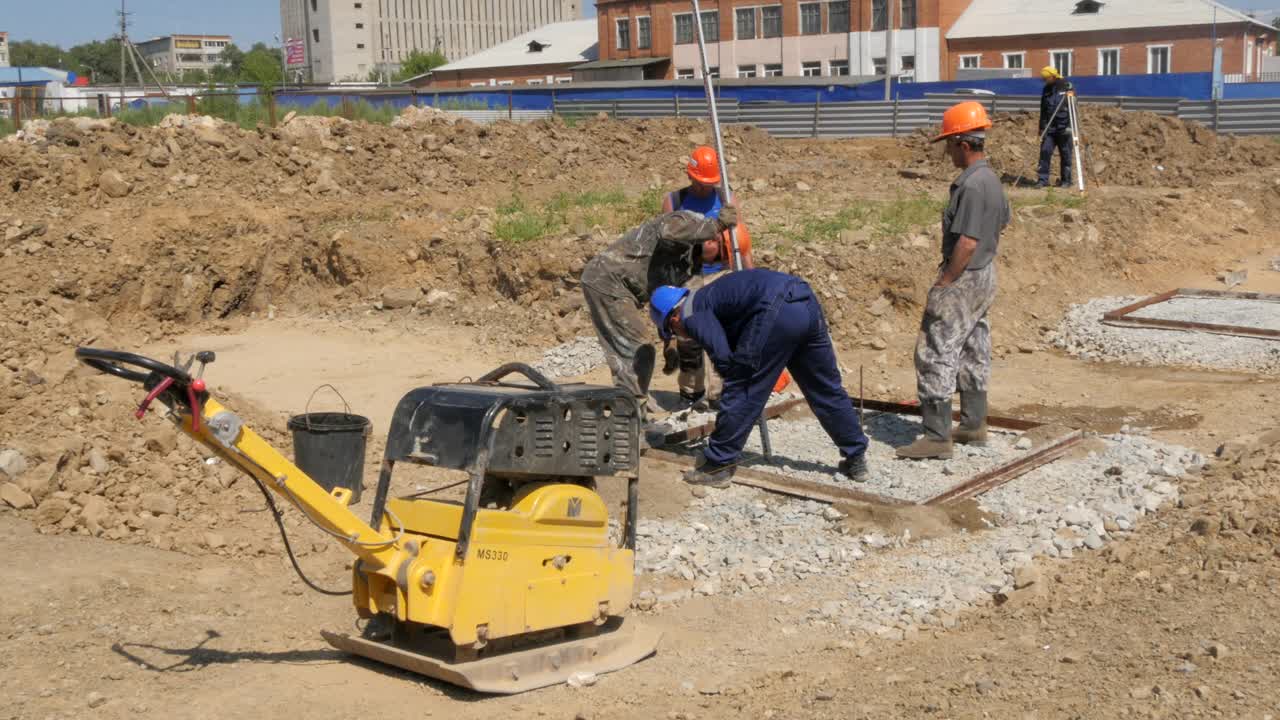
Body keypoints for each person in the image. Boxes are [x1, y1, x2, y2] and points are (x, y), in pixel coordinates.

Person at [649, 269, 870, 488]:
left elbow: (724, 359)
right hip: (804, 300)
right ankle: (856, 457)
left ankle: (719, 464)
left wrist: (744, 379)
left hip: (774, 309)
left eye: (673, 331)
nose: (680, 335)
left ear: (673, 317)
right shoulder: (710, 297)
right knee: (824, 386)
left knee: (743, 387)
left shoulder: (691, 313)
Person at [897, 101, 1010, 461]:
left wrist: (946, 280)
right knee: (975, 344)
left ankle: (936, 436)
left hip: (964, 275)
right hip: (985, 273)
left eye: (949, 143)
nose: (947, 151)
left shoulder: (972, 186)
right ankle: (974, 423)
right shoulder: (991, 180)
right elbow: (1002, 222)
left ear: (963, 142)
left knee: (935, 349)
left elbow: (967, 240)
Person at [581, 208, 738, 407]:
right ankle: (632, 413)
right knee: (637, 347)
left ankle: (633, 406)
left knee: (641, 348)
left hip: (625, 290)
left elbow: (670, 304)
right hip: (606, 281)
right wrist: (716, 226)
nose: (715, 251)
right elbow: (667, 231)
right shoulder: (682, 221)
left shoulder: (687, 265)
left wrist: (669, 340)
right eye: (713, 241)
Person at [659, 146, 755, 410]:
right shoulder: (674, 201)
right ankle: (691, 391)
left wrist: (750, 277)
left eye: (709, 183)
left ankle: (720, 393)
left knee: (720, 334)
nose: (705, 188)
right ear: (690, 176)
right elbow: (666, 243)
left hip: (721, 273)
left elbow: (741, 241)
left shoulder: (726, 199)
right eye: (701, 183)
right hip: (688, 275)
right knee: (688, 335)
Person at [1037, 66, 1075, 189]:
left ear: (1053, 76)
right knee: (1045, 152)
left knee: (1066, 154)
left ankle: (1066, 180)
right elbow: (1043, 109)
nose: (1044, 81)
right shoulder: (1046, 89)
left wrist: (1071, 126)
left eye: (1046, 78)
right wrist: (1041, 127)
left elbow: (1073, 107)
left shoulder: (1066, 86)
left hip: (1064, 127)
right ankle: (1043, 180)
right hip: (1050, 127)